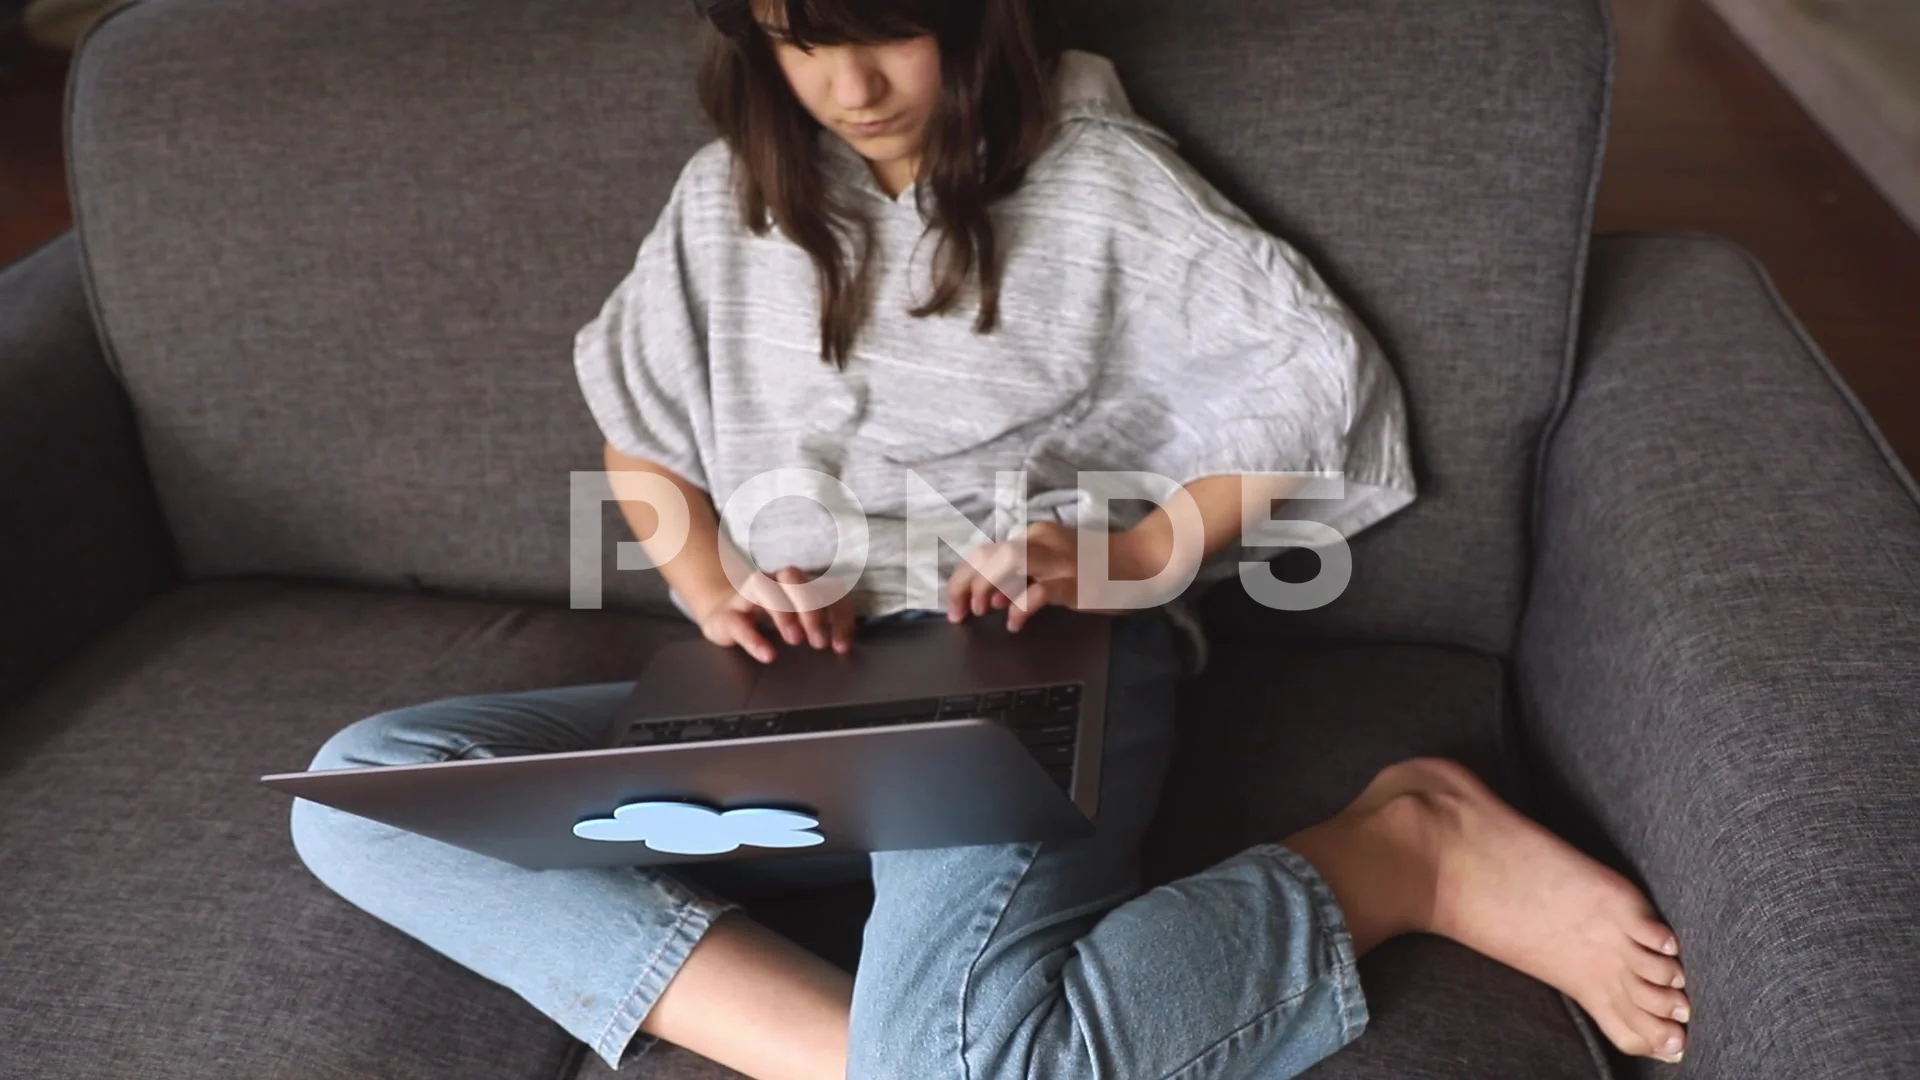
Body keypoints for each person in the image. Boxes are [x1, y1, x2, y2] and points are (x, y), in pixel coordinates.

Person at [290, 1, 1693, 1076]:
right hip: (800, 702)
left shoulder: (1100, 183)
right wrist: (713, 588)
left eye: (885, 29)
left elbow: (1320, 392)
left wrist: (1133, 558)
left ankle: (1406, 853)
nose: (848, 88)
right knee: (367, 794)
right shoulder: (731, 198)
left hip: (1015, 666)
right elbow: (640, 425)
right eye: (798, 40)